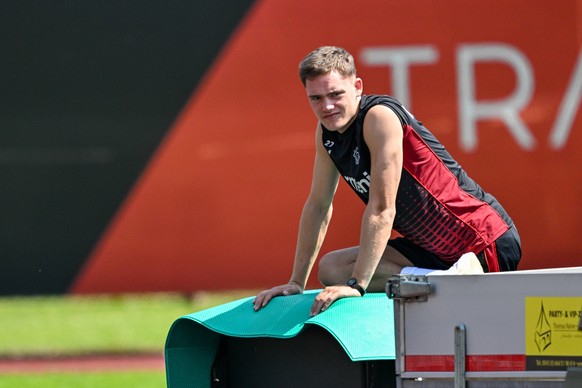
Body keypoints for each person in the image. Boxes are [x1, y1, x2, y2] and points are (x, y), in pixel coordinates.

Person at [253, 46, 521, 316]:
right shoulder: (327, 134)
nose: (327, 106)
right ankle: (443, 281)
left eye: (335, 94)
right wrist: (296, 283)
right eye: (316, 98)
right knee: (332, 268)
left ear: (357, 86)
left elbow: (382, 209)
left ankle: (450, 281)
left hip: (481, 241)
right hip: (432, 253)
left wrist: (357, 285)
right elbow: (318, 205)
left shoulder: (379, 117)